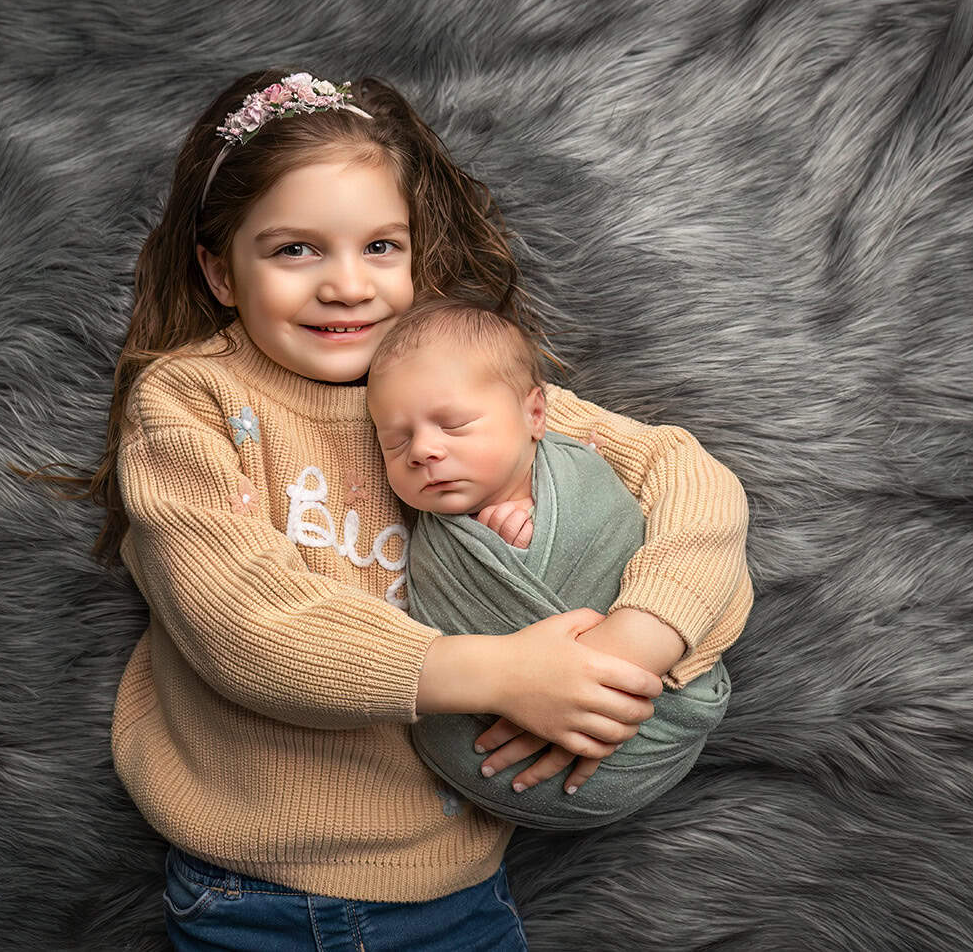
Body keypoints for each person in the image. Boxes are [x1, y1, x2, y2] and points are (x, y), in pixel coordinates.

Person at [41, 67, 751, 950]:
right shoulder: (194, 405)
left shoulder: (446, 389)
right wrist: (503, 674)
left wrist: (638, 636)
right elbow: (248, 630)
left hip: (462, 887)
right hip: (261, 894)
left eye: (381, 246)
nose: (347, 285)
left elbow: (691, 478)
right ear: (221, 272)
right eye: (296, 250)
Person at [365, 298, 735, 831]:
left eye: (454, 424)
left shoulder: (585, 463)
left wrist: (622, 647)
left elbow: (688, 508)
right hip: (484, 762)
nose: (422, 450)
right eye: (395, 442)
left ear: (535, 415)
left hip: (647, 711)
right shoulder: (433, 538)